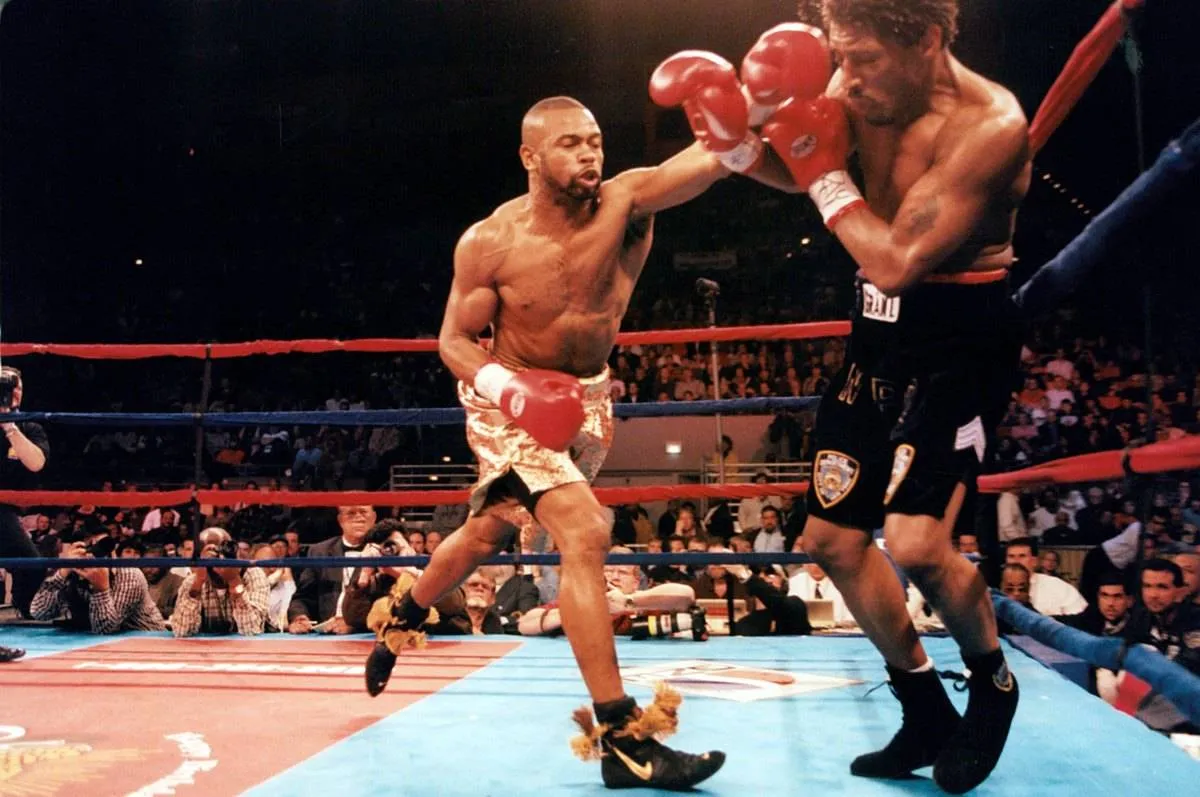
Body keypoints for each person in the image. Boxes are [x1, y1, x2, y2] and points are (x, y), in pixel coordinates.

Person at [690, 4, 1027, 791]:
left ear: (930, 41)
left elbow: (899, 257)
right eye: (843, 55)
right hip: (876, 337)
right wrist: (742, 150)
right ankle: (922, 706)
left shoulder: (990, 124)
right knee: (831, 541)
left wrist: (813, 166)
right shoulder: (858, 81)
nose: (851, 76)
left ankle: (993, 684)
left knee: (914, 542)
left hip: (958, 340)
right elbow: (812, 167)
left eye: (867, 58)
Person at [363, 93, 739, 789]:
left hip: (588, 397)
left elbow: (709, 164)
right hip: (506, 396)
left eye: (594, 140)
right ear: (530, 157)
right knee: (584, 528)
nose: (590, 153)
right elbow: (452, 340)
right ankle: (624, 738)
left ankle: (402, 615)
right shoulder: (490, 241)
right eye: (570, 143)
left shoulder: (626, 201)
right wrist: (510, 388)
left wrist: (744, 119)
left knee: (485, 535)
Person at [0, 367, 48, 655]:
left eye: (15, 386)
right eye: (6, 387)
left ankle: (23, 609)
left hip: (4, 508)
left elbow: (36, 463)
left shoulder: (28, 426)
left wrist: (8, 425)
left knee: (31, 563)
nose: (12, 392)